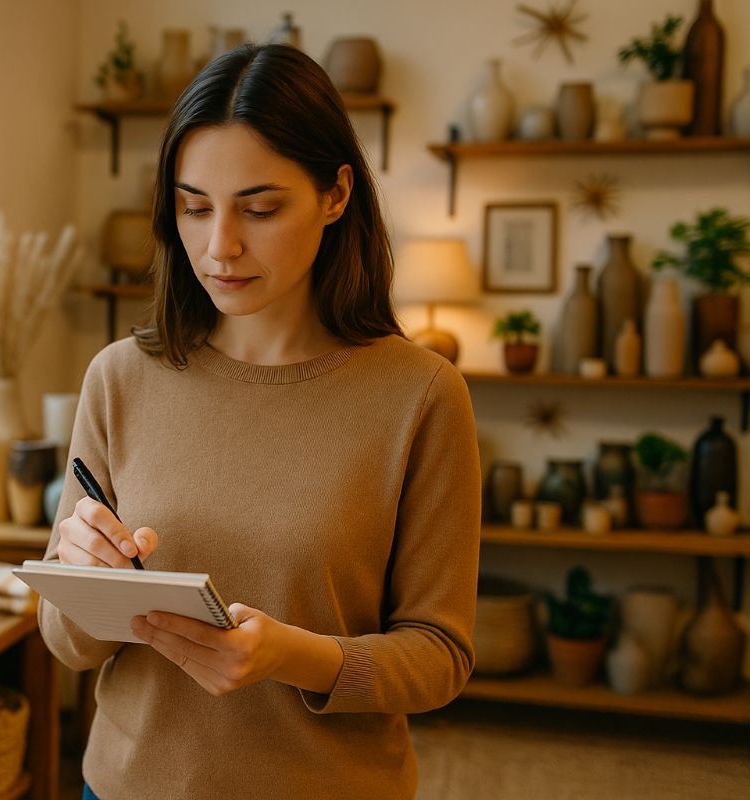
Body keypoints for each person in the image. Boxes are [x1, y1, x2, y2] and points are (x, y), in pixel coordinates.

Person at [39, 43, 480, 800]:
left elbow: (440, 656)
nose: (220, 247)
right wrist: (80, 581)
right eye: (194, 207)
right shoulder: (119, 378)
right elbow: (66, 645)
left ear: (335, 195)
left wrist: (295, 657)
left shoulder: (421, 396)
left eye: (260, 208)